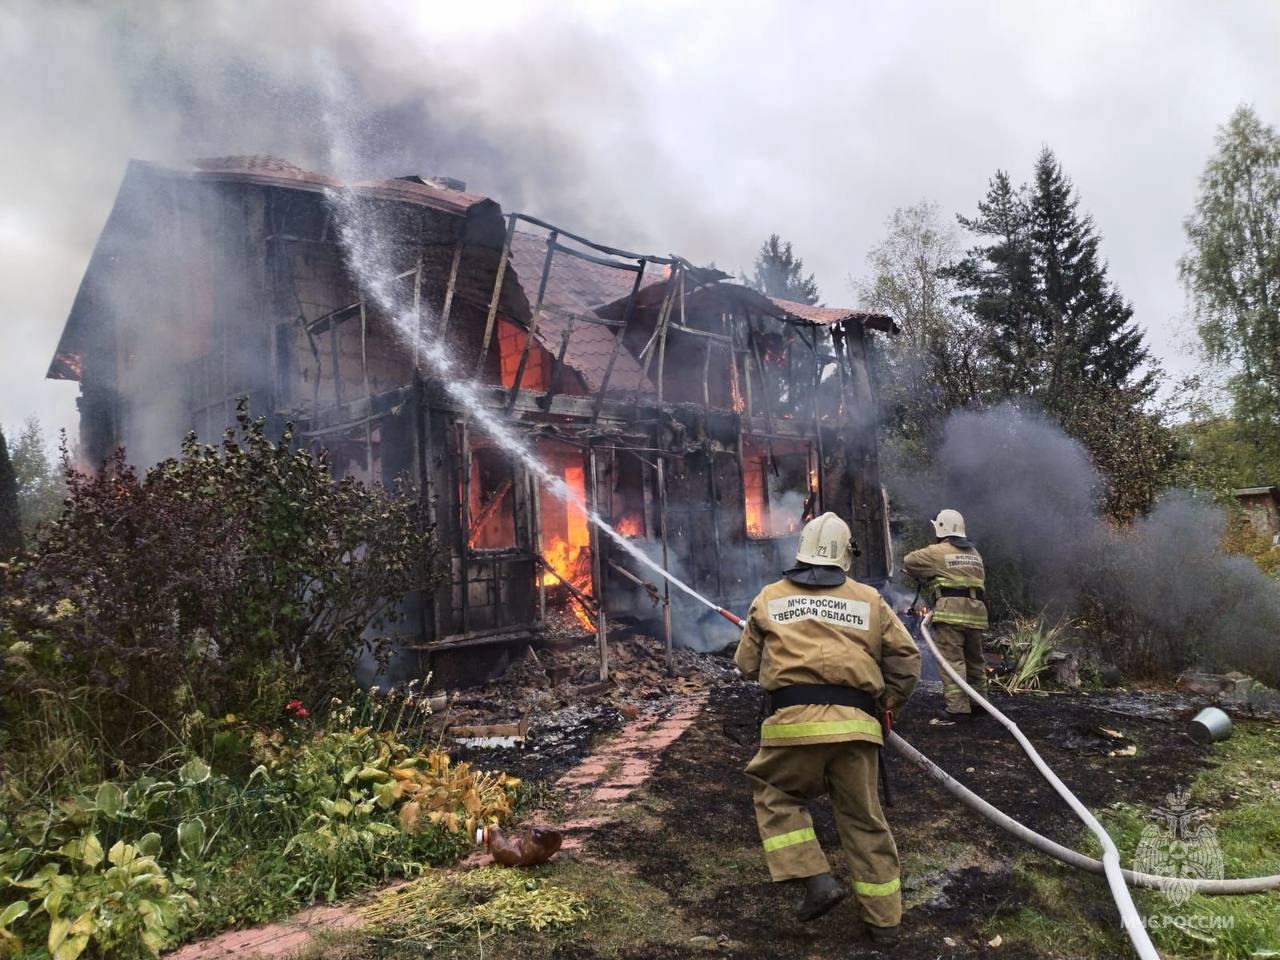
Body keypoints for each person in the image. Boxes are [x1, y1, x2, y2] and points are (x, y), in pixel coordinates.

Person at [736, 512, 920, 943]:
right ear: (846, 555)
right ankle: (885, 923)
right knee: (863, 819)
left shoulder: (769, 597)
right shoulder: (869, 600)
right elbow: (907, 660)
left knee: (776, 793)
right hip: (857, 728)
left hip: (791, 728)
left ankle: (815, 878)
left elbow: (745, 666)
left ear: (800, 551)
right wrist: (888, 703)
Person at [902, 508, 988, 719]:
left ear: (941, 528)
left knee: (953, 661)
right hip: (976, 613)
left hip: (951, 613)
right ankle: (979, 704)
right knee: (975, 660)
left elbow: (909, 561)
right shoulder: (975, 554)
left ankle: (958, 709)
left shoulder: (937, 551)